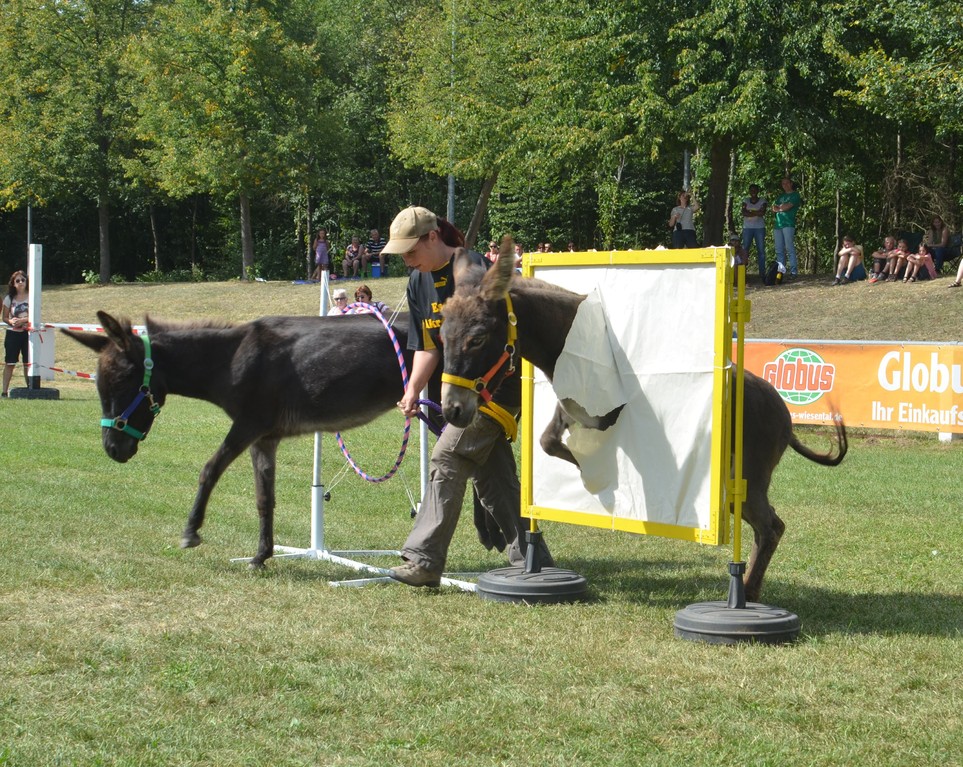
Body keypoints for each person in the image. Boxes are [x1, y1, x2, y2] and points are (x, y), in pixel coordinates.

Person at [381, 205, 550, 586]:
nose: (406, 260)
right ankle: (531, 559)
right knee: (494, 478)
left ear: (432, 237)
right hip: (462, 396)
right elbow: (428, 346)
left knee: (448, 457)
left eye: (410, 251)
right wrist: (411, 389)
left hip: (496, 390)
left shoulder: (472, 270)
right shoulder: (417, 282)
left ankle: (424, 560)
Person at [2, 270, 29, 397]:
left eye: (23, 280)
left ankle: (30, 389)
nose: (20, 282)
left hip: (29, 334)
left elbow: (36, 316)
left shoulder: (32, 296)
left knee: (28, 363)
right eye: (17, 281)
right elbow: (4, 317)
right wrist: (11, 321)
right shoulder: (9, 298)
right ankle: (4, 391)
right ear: (13, 283)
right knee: (10, 363)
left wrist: (23, 320)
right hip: (12, 334)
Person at [772, 177, 801, 277]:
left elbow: (788, 206)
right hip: (778, 224)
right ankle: (781, 272)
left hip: (788, 224)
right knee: (779, 249)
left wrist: (780, 208)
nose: (785, 185)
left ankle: (793, 271)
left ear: (791, 183)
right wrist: (781, 208)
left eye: (787, 183)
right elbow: (774, 208)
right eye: (783, 184)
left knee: (789, 248)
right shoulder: (781, 196)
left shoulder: (795, 195)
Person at [740, 184, 768, 278]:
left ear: (758, 191)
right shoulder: (745, 200)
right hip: (747, 228)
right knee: (745, 250)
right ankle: (742, 272)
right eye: (751, 190)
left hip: (759, 228)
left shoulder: (763, 200)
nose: (753, 191)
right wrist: (756, 212)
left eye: (755, 190)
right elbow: (744, 212)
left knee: (761, 250)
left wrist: (750, 212)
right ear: (749, 191)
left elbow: (762, 213)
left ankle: (762, 273)